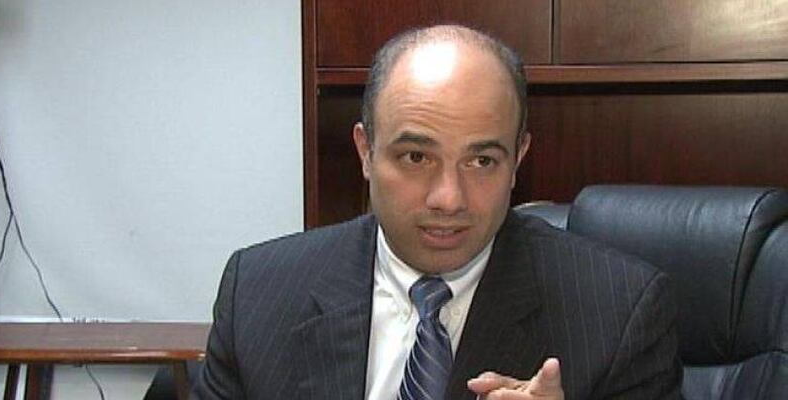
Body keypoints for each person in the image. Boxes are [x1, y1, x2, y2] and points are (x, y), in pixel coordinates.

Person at [193, 25, 681, 400]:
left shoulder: (620, 314)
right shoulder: (258, 294)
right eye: (416, 157)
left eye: (481, 161)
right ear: (366, 152)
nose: (449, 199)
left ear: (518, 161)